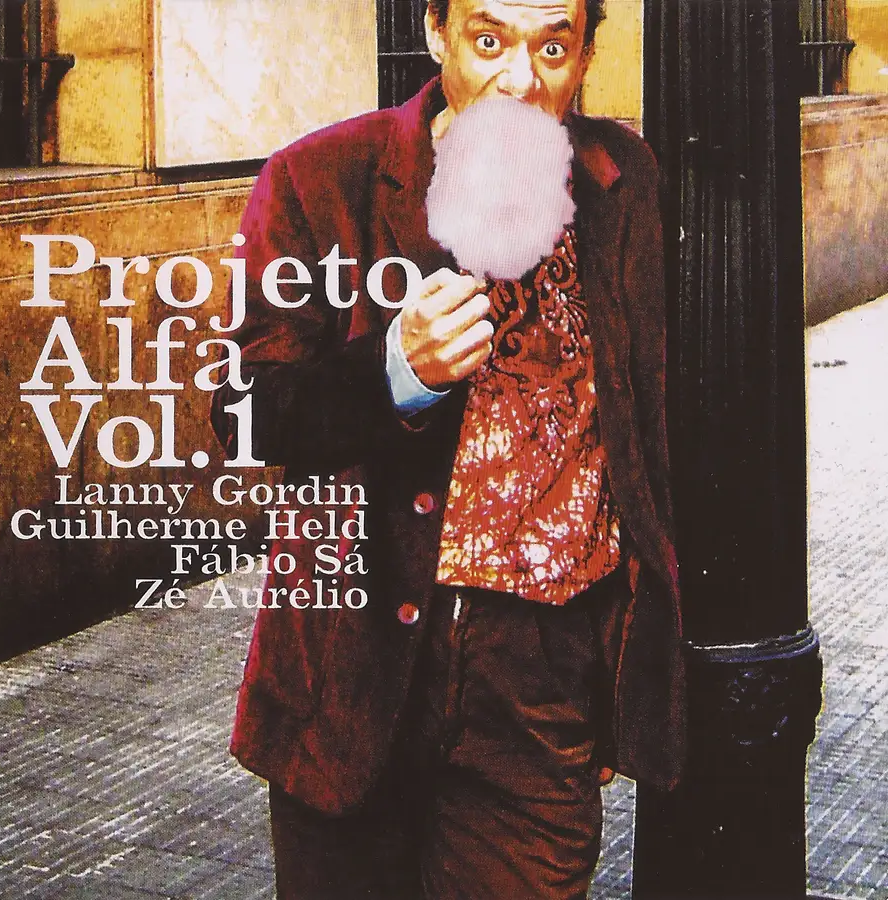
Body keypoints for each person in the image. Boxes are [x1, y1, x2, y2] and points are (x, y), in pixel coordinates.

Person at [212, 0, 686, 897]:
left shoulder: (622, 181)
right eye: (489, 39)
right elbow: (243, 411)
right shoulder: (321, 178)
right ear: (436, 32)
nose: (519, 79)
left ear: (586, 54)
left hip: (540, 684)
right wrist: (398, 369)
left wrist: (612, 669)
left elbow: (647, 426)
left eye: (553, 46)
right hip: (354, 675)